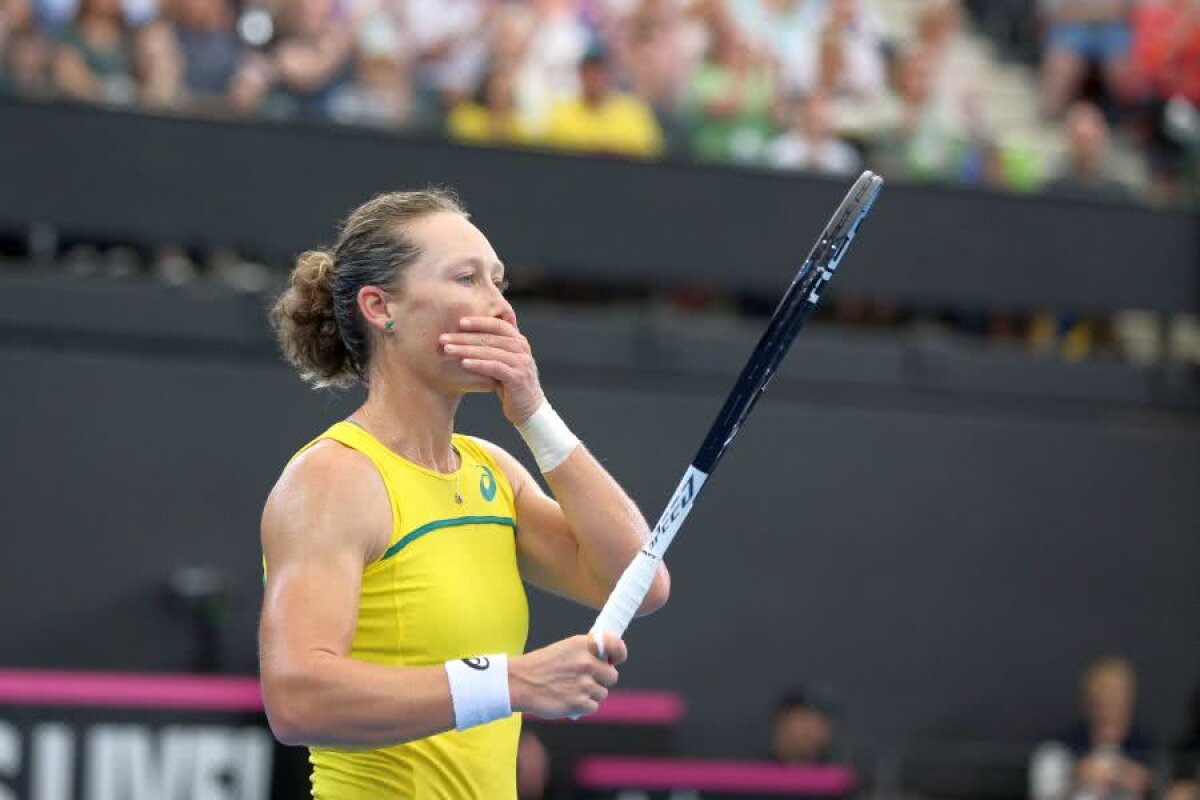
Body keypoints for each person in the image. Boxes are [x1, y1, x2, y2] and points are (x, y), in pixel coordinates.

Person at [260, 188, 670, 798]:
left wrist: (534, 414)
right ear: (380, 307)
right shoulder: (333, 479)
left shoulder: (492, 473)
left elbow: (638, 584)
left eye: (500, 283)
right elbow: (296, 698)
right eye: (467, 278)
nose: (501, 308)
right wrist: (508, 683)